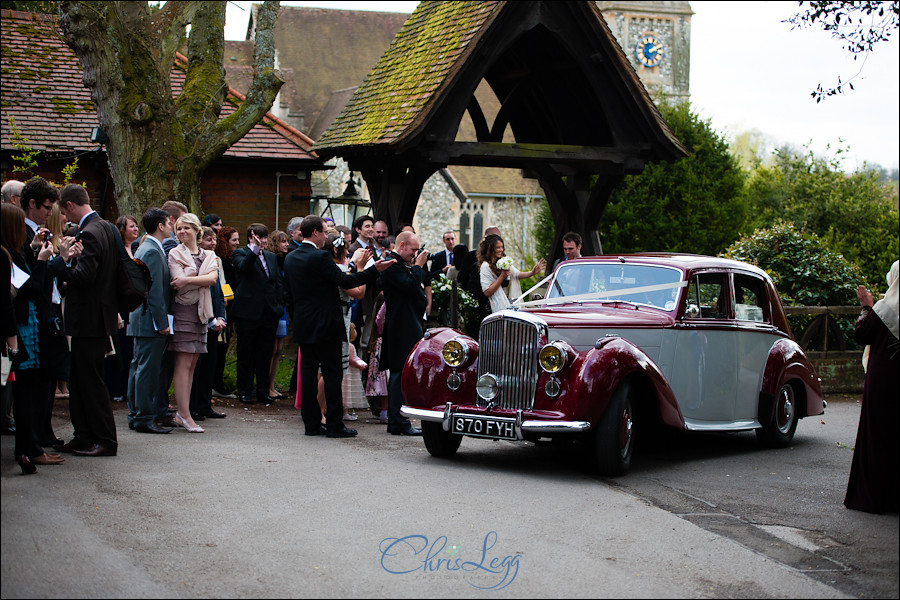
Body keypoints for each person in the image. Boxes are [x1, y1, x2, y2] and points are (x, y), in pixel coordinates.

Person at [283, 215, 394, 438]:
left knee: (308, 377)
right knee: (333, 375)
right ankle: (334, 424)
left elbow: (290, 296)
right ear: (314, 233)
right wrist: (375, 270)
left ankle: (311, 424)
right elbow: (347, 282)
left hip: (305, 325)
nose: (326, 235)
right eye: (324, 231)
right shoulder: (320, 257)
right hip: (327, 326)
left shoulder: (291, 258)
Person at [48, 184, 119, 457]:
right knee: (81, 379)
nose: (65, 219)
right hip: (98, 316)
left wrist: (65, 263)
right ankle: (84, 435)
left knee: (89, 381)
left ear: (68, 205)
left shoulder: (88, 232)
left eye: (63, 212)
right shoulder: (106, 228)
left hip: (88, 318)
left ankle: (103, 440)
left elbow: (85, 277)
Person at [3, 203, 64, 472]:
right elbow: (33, 287)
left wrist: (32, 251)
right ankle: (27, 451)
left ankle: (30, 449)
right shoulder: (6, 256)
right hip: (19, 333)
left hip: (20, 330)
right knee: (24, 394)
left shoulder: (11, 253)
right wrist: (41, 261)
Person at [844, 260, 899, 514]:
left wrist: (866, 307)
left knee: (877, 436)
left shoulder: (886, 308)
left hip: (883, 383)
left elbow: (862, 334)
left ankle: (874, 497)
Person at [168, 213, 218, 433]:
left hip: (201, 313)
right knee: (183, 363)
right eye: (179, 229)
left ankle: (184, 413)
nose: (182, 232)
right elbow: (177, 284)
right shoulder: (174, 252)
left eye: (187, 228)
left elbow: (212, 279)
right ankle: (184, 414)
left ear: (197, 230)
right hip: (183, 312)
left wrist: (189, 277)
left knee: (193, 364)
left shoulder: (208, 254)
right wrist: (197, 278)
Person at [126, 208, 175, 434]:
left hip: (141, 318)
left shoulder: (147, 247)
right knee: (147, 369)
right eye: (169, 222)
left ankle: (136, 414)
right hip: (149, 320)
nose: (172, 225)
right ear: (161, 226)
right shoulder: (153, 251)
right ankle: (143, 416)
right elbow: (154, 291)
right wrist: (162, 321)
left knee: (138, 367)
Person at [380, 231, 429, 436]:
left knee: (404, 373)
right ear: (401, 245)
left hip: (408, 323)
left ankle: (400, 419)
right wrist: (418, 265)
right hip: (400, 326)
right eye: (413, 250)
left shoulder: (399, 263)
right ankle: (397, 421)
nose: (414, 254)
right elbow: (410, 286)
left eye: (417, 251)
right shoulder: (390, 264)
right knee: (400, 372)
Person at [230, 223, 284, 405]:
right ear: (251, 237)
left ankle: (263, 390)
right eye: (259, 237)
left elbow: (277, 282)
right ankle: (244, 391)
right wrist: (253, 250)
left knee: (265, 354)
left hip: (269, 313)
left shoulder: (270, 256)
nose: (262, 241)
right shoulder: (240, 254)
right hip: (247, 313)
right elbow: (243, 269)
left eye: (264, 237)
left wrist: (278, 306)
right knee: (246, 354)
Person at [189, 227, 228, 421]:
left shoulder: (216, 260)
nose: (212, 243)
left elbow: (219, 293)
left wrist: (221, 317)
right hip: (200, 319)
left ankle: (205, 404)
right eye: (208, 239)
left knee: (209, 366)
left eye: (214, 239)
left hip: (215, 320)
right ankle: (192, 406)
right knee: (196, 367)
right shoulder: (194, 260)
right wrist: (210, 318)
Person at [105, 215, 140, 404]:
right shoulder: (116, 252)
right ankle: (115, 388)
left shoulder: (137, 250)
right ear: (122, 229)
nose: (135, 229)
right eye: (131, 226)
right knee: (119, 348)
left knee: (131, 350)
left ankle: (128, 388)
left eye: (136, 226)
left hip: (134, 306)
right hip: (120, 307)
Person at [479, 233, 545, 314]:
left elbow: (516, 274)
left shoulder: (504, 261)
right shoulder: (485, 266)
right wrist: (502, 276)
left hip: (507, 303)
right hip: (493, 307)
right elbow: (487, 291)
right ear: (490, 249)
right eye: (498, 247)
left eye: (502, 247)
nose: (501, 250)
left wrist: (532, 272)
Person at [211, 226, 240, 399]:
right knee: (218, 349)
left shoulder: (230, 260)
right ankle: (215, 384)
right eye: (234, 240)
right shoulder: (220, 260)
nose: (237, 243)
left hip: (230, 307)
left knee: (222, 348)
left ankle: (218, 383)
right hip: (223, 307)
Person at [266, 230, 291, 399]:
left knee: (278, 349)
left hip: (283, 309)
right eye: (283, 242)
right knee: (272, 348)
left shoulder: (286, 261)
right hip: (273, 309)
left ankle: (272, 385)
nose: (287, 245)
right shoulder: (271, 260)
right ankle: (266, 385)